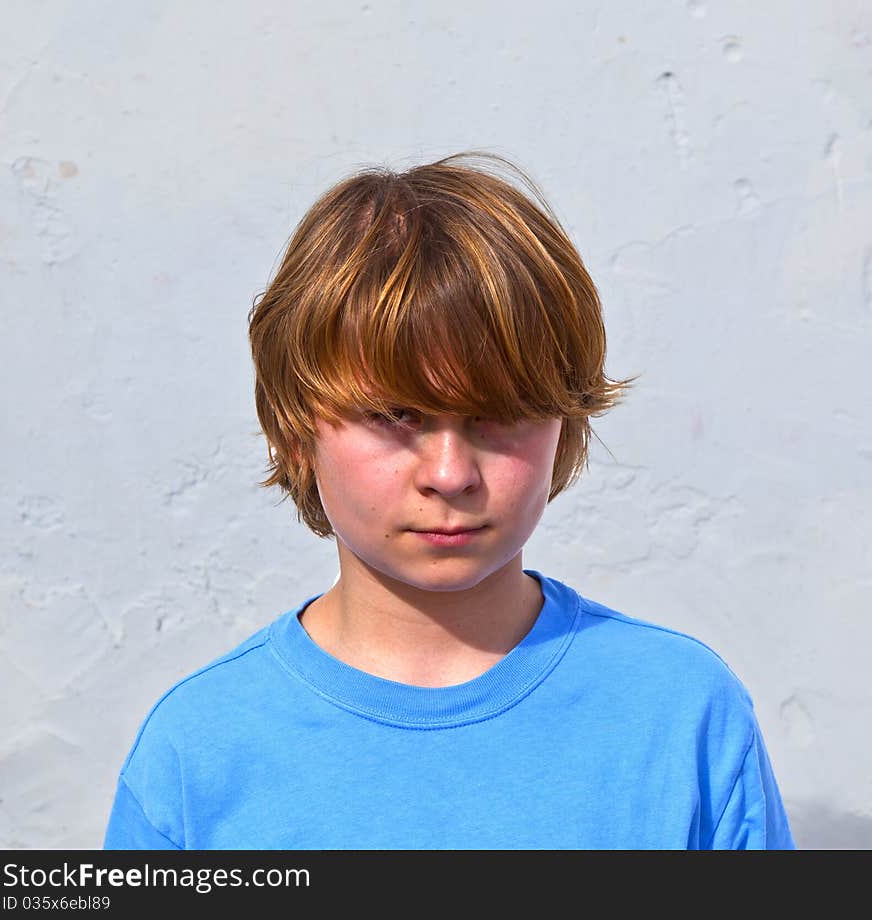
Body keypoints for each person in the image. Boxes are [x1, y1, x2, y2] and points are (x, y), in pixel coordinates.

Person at [103, 150, 795, 850]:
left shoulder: (681, 716)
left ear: (566, 422)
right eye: (396, 415)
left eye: (499, 412)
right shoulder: (199, 753)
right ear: (295, 430)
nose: (449, 472)